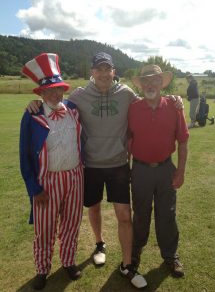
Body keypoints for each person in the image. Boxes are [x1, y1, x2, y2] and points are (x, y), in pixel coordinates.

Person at [26, 52, 183, 289]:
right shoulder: (78, 95)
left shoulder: (127, 94)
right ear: (92, 72)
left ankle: (127, 264)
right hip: (90, 165)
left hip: (118, 164)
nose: (102, 73)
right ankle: (99, 244)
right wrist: (36, 103)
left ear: (113, 72)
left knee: (123, 215)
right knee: (95, 207)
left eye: (107, 69)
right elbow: (56, 101)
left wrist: (173, 99)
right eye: (98, 69)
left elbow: (148, 99)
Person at [20, 53, 84, 290]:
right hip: (46, 182)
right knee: (44, 229)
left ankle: (68, 261)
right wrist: (34, 189)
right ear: (41, 94)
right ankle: (42, 270)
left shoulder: (74, 109)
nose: (56, 94)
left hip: (75, 177)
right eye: (50, 90)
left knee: (71, 223)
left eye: (59, 89)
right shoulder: (32, 114)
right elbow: (25, 157)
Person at [129, 65, 189, 278]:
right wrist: (129, 168)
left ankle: (170, 256)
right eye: (146, 80)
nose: (150, 84)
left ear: (162, 83)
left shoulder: (174, 107)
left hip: (165, 169)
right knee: (140, 215)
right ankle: (133, 256)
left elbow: (182, 141)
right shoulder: (133, 108)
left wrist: (180, 172)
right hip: (141, 170)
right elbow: (128, 139)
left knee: (167, 215)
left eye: (155, 80)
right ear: (142, 84)